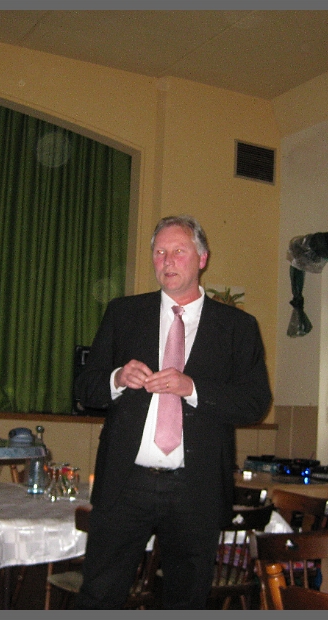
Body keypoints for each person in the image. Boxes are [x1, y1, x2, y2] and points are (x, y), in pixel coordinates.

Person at [73, 215, 272, 609]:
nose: (167, 260)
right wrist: (116, 378)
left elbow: (255, 402)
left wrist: (192, 388)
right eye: (159, 252)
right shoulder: (124, 313)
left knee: (186, 600)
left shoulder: (237, 327)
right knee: (99, 594)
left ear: (202, 258)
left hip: (196, 487)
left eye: (178, 251)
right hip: (125, 482)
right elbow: (85, 389)